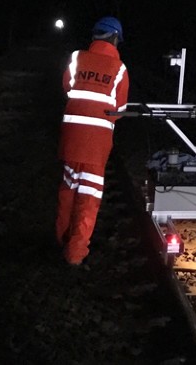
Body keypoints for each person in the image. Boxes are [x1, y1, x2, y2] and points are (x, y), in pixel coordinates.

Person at [55, 16, 130, 266]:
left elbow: (67, 87)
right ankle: (75, 254)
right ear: (115, 38)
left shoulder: (77, 58)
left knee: (68, 190)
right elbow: (119, 109)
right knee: (88, 196)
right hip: (96, 145)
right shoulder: (119, 70)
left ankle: (61, 238)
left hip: (70, 139)